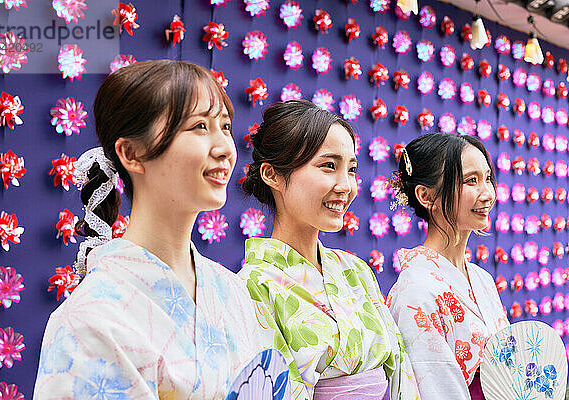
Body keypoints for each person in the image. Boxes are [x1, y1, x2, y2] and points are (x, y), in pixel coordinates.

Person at [34, 60, 274, 399]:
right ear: (132, 153)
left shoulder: (231, 291)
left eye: (225, 126)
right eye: (199, 127)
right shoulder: (91, 319)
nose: (224, 148)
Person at [238, 100, 420, 400]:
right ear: (272, 175)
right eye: (328, 166)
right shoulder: (253, 284)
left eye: (351, 170)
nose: (345, 185)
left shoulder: (355, 270)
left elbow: (401, 369)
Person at [386, 133, 509, 400]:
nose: (487, 193)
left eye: (488, 178)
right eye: (471, 181)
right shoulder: (414, 292)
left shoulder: (482, 279)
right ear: (426, 196)